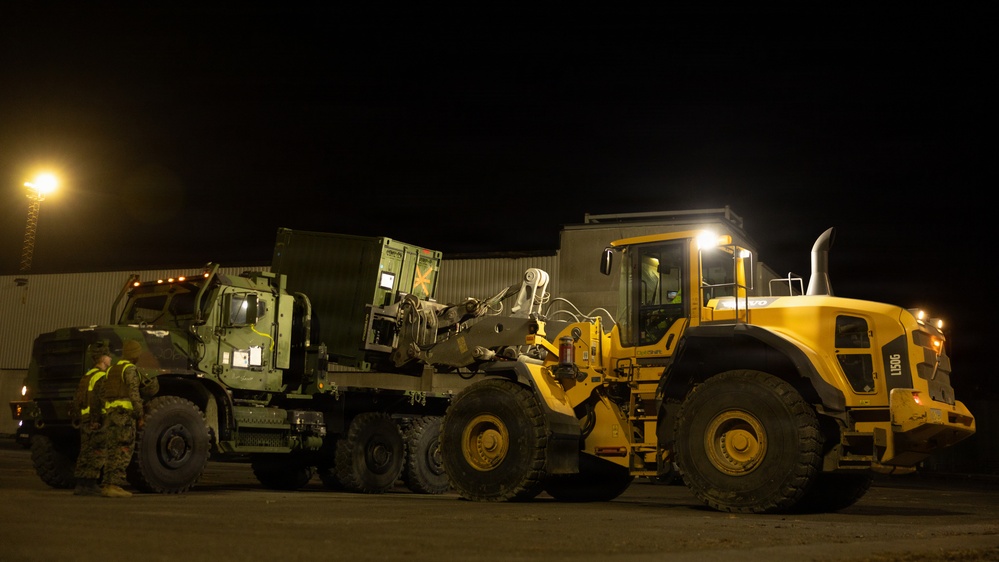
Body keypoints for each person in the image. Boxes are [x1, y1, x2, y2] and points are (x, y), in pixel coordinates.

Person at [100, 339, 146, 498]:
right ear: (134, 355)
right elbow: (134, 394)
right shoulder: (130, 369)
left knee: (112, 450)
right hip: (124, 417)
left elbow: (102, 393)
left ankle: (107, 484)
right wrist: (140, 415)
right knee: (123, 449)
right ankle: (114, 485)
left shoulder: (111, 369)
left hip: (110, 415)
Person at [71, 341, 111, 496]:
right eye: (108, 356)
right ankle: (90, 483)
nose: (110, 359)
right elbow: (97, 400)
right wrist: (97, 420)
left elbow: (78, 399)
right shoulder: (101, 377)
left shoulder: (87, 376)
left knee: (85, 451)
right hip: (96, 421)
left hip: (85, 420)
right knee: (97, 451)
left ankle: (81, 484)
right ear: (102, 359)